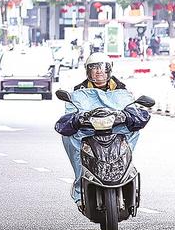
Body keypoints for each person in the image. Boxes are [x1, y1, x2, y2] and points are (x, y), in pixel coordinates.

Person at [54, 52, 151, 208]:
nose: (99, 71)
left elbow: (130, 107)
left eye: (102, 68)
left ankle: (125, 166)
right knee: (69, 137)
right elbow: (71, 112)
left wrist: (129, 115)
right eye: (94, 68)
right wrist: (78, 119)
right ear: (88, 71)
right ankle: (80, 184)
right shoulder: (79, 91)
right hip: (89, 131)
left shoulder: (121, 89)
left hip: (115, 129)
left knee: (134, 131)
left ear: (109, 70)